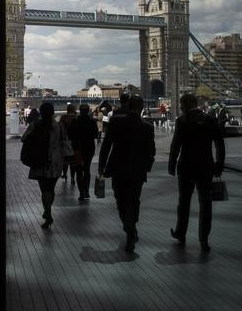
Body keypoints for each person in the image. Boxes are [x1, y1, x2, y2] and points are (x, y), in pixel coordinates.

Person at [168, 93, 225, 252]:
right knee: (205, 203)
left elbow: (175, 145)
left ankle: (181, 233)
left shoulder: (182, 121)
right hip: (206, 166)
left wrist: (171, 165)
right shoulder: (210, 120)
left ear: (186, 105)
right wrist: (219, 164)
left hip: (186, 166)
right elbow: (220, 144)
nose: (180, 107)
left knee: (184, 202)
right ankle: (204, 239)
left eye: (181, 105)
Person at [98, 94, 155, 251]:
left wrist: (101, 165)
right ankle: (131, 226)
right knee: (134, 199)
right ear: (142, 107)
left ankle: (128, 227)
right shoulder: (147, 127)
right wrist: (147, 166)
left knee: (120, 199)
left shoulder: (116, 122)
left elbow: (106, 145)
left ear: (128, 106)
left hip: (118, 168)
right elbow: (151, 151)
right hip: (137, 170)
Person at [21, 102, 68, 229]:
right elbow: (65, 143)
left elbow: (24, 138)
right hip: (55, 161)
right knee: (51, 188)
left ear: (41, 112)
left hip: (39, 159)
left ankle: (47, 211)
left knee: (44, 189)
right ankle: (48, 210)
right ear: (53, 112)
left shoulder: (35, 125)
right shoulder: (59, 126)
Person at [71, 104, 99, 201]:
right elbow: (96, 135)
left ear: (80, 111)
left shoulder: (75, 121)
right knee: (87, 170)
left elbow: (70, 135)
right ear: (87, 111)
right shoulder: (92, 121)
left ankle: (81, 193)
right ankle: (87, 191)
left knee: (79, 171)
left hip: (78, 149)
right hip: (89, 148)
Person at [59, 103, 77, 184]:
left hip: (65, 141)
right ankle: (73, 177)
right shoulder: (76, 118)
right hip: (74, 141)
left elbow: (60, 128)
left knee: (65, 160)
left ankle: (65, 174)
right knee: (73, 162)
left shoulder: (63, 117)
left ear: (67, 110)